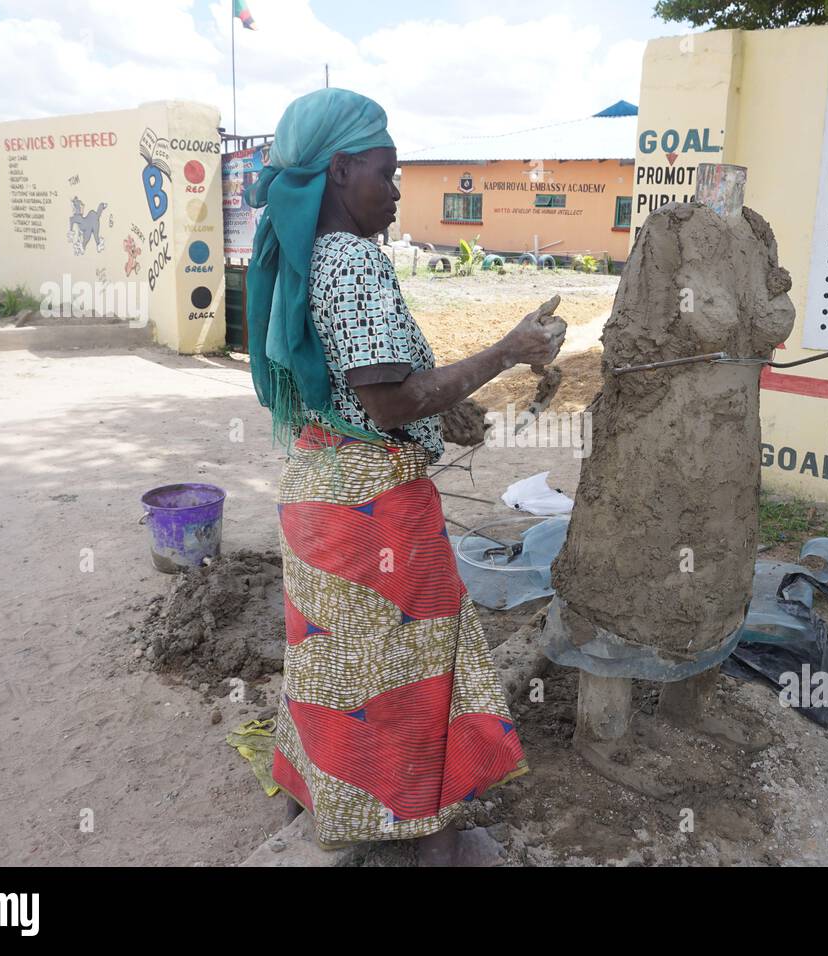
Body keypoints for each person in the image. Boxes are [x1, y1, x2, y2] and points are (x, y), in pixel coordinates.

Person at [245, 88, 564, 866]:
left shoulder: (305, 254)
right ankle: (430, 842)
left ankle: (326, 803)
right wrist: (507, 350)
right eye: (386, 173)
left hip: (322, 493)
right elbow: (390, 401)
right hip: (374, 512)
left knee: (333, 665)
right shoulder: (350, 258)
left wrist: (444, 407)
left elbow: (356, 391)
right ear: (341, 168)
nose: (395, 191)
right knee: (410, 679)